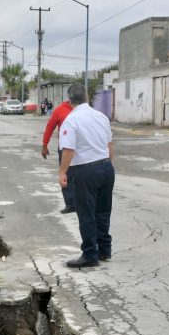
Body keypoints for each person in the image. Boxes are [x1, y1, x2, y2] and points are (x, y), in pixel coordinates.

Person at [58, 84, 115, 268]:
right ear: (87, 98)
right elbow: (109, 145)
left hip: (85, 171)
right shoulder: (101, 117)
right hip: (106, 167)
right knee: (103, 211)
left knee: (86, 213)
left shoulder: (71, 119)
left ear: (69, 100)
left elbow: (68, 149)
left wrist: (63, 172)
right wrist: (108, 165)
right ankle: (104, 250)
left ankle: (90, 253)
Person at [41, 99, 76, 213]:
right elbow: (50, 127)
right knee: (65, 175)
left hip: (81, 149)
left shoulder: (83, 109)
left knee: (81, 176)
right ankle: (70, 204)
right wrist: (45, 145)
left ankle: (81, 202)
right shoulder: (60, 110)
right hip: (65, 148)